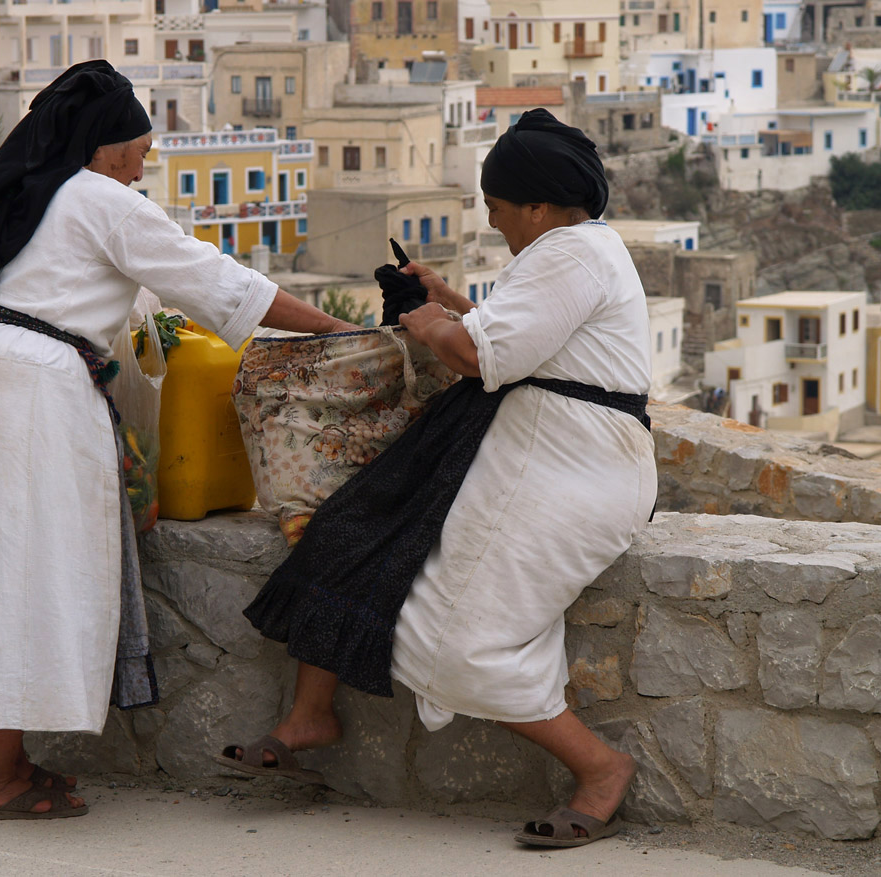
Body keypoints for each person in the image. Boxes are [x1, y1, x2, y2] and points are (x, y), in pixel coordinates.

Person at [0, 61, 352, 820]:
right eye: (139, 149)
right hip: (30, 391)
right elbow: (223, 286)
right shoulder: (104, 202)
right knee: (27, 572)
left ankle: (7, 757)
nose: (143, 164)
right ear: (103, 148)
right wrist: (345, 329)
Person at [219, 109, 657, 849]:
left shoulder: (573, 255)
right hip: (535, 453)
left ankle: (602, 767)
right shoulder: (575, 252)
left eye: (498, 210)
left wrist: (428, 324)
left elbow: (478, 358)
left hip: (567, 464)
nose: (497, 224)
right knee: (359, 540)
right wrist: (447, 302)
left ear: (539, 207)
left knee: (458, 645)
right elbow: (523, 336)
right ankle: (309, 716)